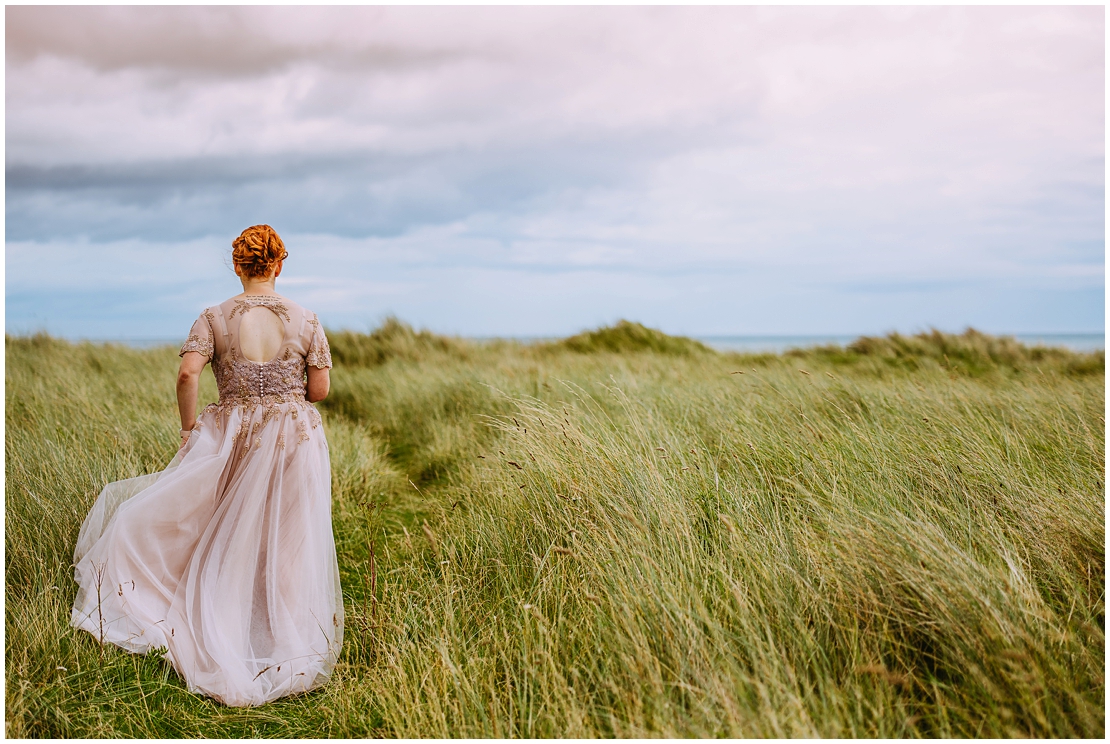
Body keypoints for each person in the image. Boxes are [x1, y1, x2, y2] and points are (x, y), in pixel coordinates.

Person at [70, 225, 343, 707]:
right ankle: (284, 647)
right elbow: (319, 390)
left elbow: (187, 373)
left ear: (238, 266)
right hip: (293, 439)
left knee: (216, 529)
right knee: (287, 542)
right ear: (279, 265)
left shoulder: (213, 317)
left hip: (231, 436)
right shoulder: (307, 319)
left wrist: (189, 426)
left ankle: (212, 623)